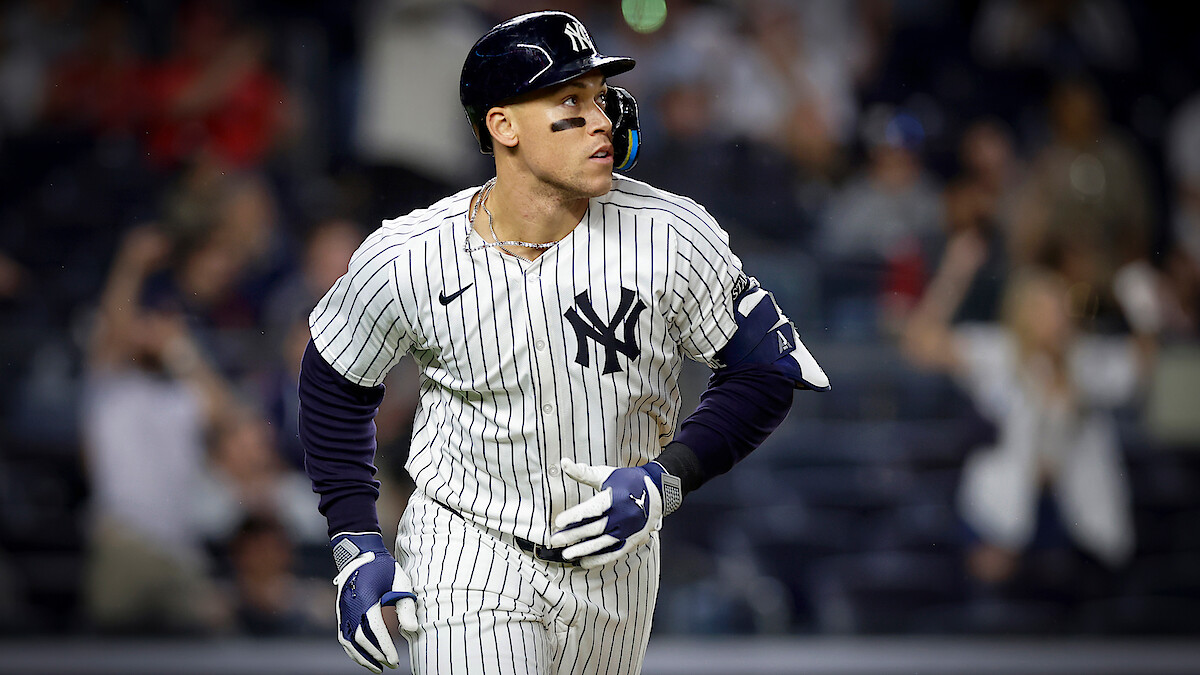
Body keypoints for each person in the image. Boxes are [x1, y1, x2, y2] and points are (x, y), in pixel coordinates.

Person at [297, 11, 828, 674]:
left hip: (616, 567)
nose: (601, 120)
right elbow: (334, 380)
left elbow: (767, 367)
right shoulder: (411, 254)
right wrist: (355, 536)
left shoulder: (670, 234)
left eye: (600, 98)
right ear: (504, 125)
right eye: (569, 103)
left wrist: (667, 479)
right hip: (469, 551)